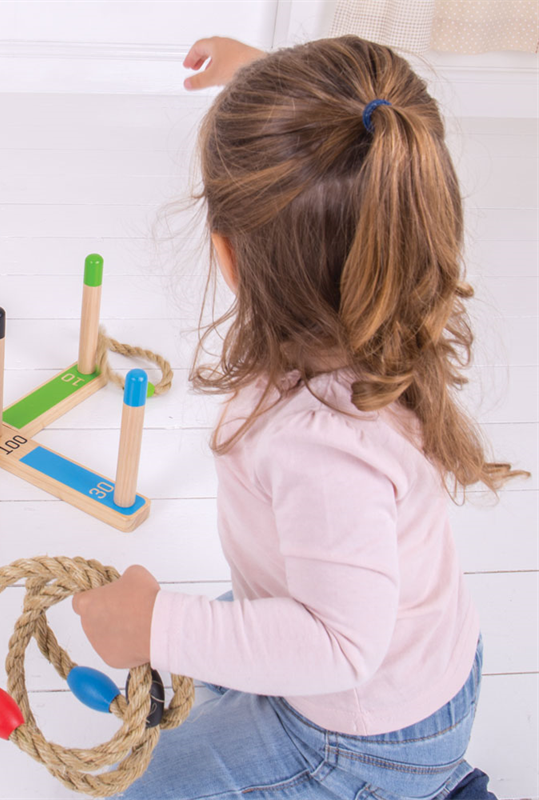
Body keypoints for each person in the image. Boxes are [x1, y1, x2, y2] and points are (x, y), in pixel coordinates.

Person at [72, 35, 527, 799]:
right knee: (207, 662)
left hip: (368, 735)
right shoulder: (391, 295)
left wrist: (160, 629)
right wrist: (265, 79)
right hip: (413, 666)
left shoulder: (322, 446)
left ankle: (428, 789)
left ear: (229, 258)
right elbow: (353, 137)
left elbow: (338, 644)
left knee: (145, 785)